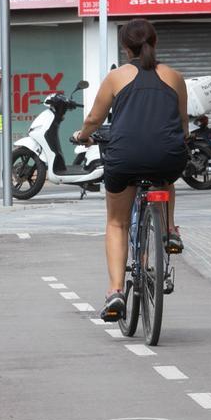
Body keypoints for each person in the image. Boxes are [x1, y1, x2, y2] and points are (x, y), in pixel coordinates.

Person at [71, 19, 189, 322]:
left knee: (116, 223)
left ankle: (115, 292)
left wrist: (82, 136)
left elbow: (94, 120)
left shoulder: (116, 77)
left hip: (125, 157)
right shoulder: (175, 76)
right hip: (167, 156)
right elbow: (182, 124)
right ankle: (169, 231)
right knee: (165, 177)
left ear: (126, 48)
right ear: (155, 42)